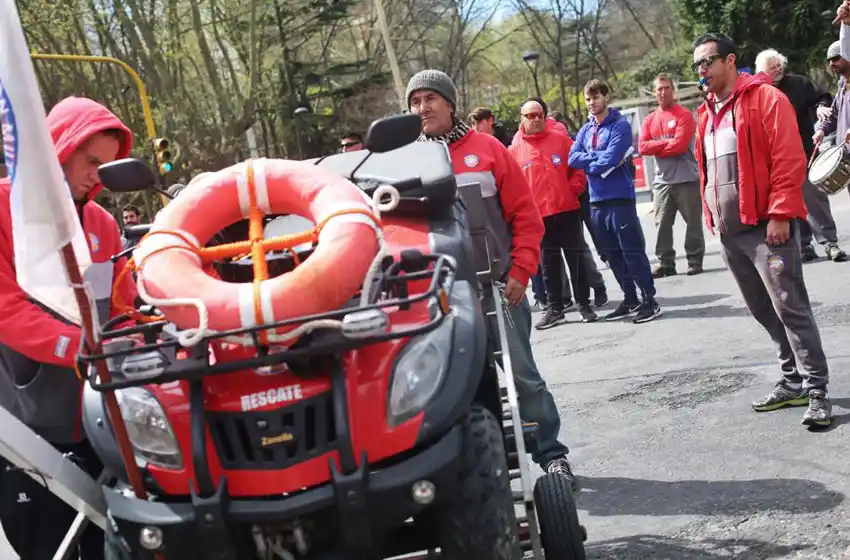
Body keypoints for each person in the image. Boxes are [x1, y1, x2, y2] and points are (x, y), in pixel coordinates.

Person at [406, 69, 578, 487]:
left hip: (498, 289)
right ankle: (486, 469)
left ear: (450, 103)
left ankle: (552, 457)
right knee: (460, 388)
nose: (422, 107)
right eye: (414, 101)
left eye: (430, 98)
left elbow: (526, 217)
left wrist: (520, 271)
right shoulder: (406, 161)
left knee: (524, 379)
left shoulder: (488, 150)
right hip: (441, 300)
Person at [0, 96, 138, 557]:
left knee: (109, 541)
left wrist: (134, 338)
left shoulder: (103, 224)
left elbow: (123, 304)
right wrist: (82, 346)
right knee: (45, 542)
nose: (98, 175)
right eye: (91, 160)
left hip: (104, 419)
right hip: (33, 420)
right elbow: (7, 309)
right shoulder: (5, 210)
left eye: (109, 165)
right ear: (59, 146)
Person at [692, 33, 832, 427]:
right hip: (729, 233)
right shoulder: (707, 112)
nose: (701, 70)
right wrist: (712, 216)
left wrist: (781, 213)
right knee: (762, 309)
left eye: (708, 61)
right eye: (697, 64)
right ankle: (792, 380)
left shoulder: (766, 99)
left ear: (730, 60)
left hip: (765, 227)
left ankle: (817, 389)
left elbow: (788, 158)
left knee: (790, 306)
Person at [569, 80, 662, 324]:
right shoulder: (585, 130)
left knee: (632, 251)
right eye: (588, 99)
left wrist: (593, 162)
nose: (591, 103)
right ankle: (630, 298)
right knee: (611, 254)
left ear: (606, 97)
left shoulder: (620, 125)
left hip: (620, 199)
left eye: (596, 97)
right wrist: (596, 160)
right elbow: (572, 158)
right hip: (596, 202)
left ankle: (649, 300)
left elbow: (610, 160)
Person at [509, 97, 599, 327]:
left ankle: (584, 305)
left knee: (576, 259)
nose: (537, 119)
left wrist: (573, 190)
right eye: (531, 116)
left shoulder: (561, 140)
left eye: (540, 114)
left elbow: (578, 168)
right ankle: (555, 309)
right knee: (548, 265)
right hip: (539, 217)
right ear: (522, 119)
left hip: (567, 210)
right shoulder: (514, 151)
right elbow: (512, 185)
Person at [756, 49, 847, 263]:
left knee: (815, 199)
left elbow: (822, 97)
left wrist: (821, 108)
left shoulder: (798, 83)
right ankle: (804, 245)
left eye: (780, 65)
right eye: (773, 67)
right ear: (763, 72)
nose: (778, 70)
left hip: (805, 151)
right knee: (791, 203)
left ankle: (829, 243)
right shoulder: (759, 92)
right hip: (776, 160)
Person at [639, 73, 705, 277]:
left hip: (687, 179)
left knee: (693, 223)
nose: (662, 92)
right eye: (659, 88)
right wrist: (666, 144)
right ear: (654, 92)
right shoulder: (650, 119)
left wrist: (657, 146)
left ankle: (694, 260)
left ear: (673, 90)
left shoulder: (684, 115)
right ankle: (665, 262)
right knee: (662, 225)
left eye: (666, 87)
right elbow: (642, 146)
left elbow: (679, 146)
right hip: (662, 182)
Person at [814, 41, 850, 181]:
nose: (831, 64)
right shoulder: (842, 83)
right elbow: (834, 113)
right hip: (846, 156)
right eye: (829, 60)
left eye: (836, 58)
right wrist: (822, 130)